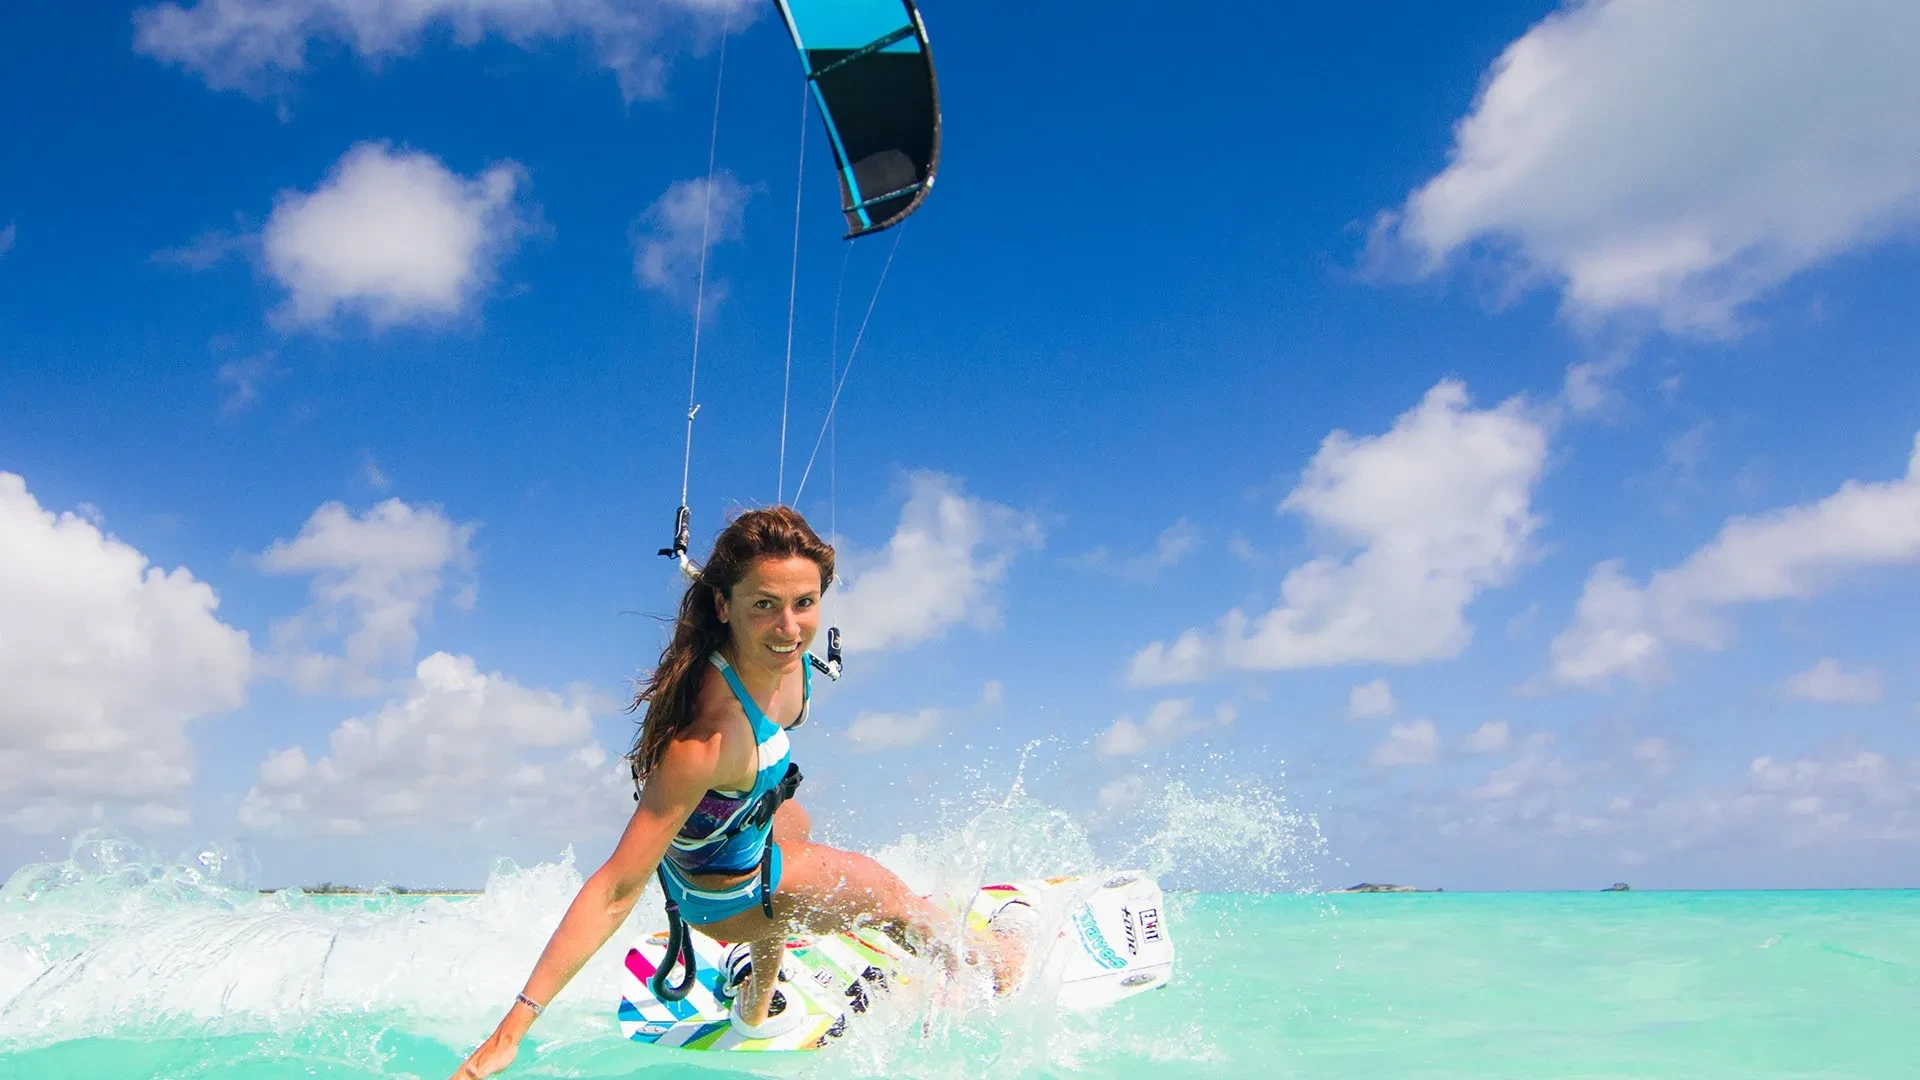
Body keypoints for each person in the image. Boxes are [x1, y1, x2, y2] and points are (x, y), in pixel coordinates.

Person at [450, 506, 988, 1079]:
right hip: (724, 902)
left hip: (733, 850)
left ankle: (755, 1007)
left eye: (803, 603)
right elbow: (614, 889)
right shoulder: (706, 739)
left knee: (794, 819)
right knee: (894, 898)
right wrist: (509, 1034)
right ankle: (989, 969)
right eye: (764, 605)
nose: (788, 628)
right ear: (724, 607)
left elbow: (768, 632)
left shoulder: (786, 661)